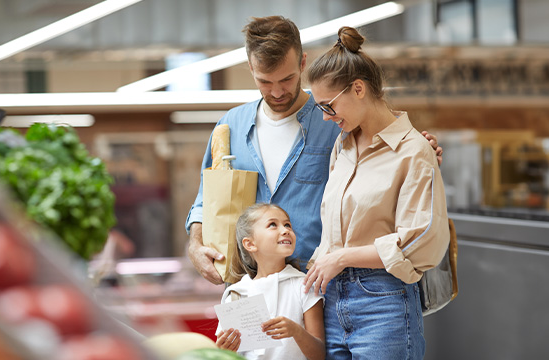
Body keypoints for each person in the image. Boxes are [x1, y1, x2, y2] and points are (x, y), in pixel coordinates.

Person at [185, 15, 443, 285]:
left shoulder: (339, 122)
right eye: (265, 81)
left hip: (321, 287)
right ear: (250, 67)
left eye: (286, 79)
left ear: (303, 63)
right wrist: (195, 245)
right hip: (249, 287)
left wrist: (422, 152)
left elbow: (391, 172)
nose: (276, 92)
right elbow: (205, 201)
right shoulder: (229, 128)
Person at [303, 26, 450, 360]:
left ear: (358, 89)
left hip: (382, 302)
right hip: (332, 301)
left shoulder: (413, 151)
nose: (326, 118)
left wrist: (341, 257)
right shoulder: (342, 147)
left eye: (328, 106)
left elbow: (421, 240)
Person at [215, 203, 325, 360]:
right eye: (273, 224)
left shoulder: (305, 285)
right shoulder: (235, 293)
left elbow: (319, 355)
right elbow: (227, 354)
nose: (286, 230)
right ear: (250, 244)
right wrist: (223, 350)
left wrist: (296, 331)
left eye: (288, 225)